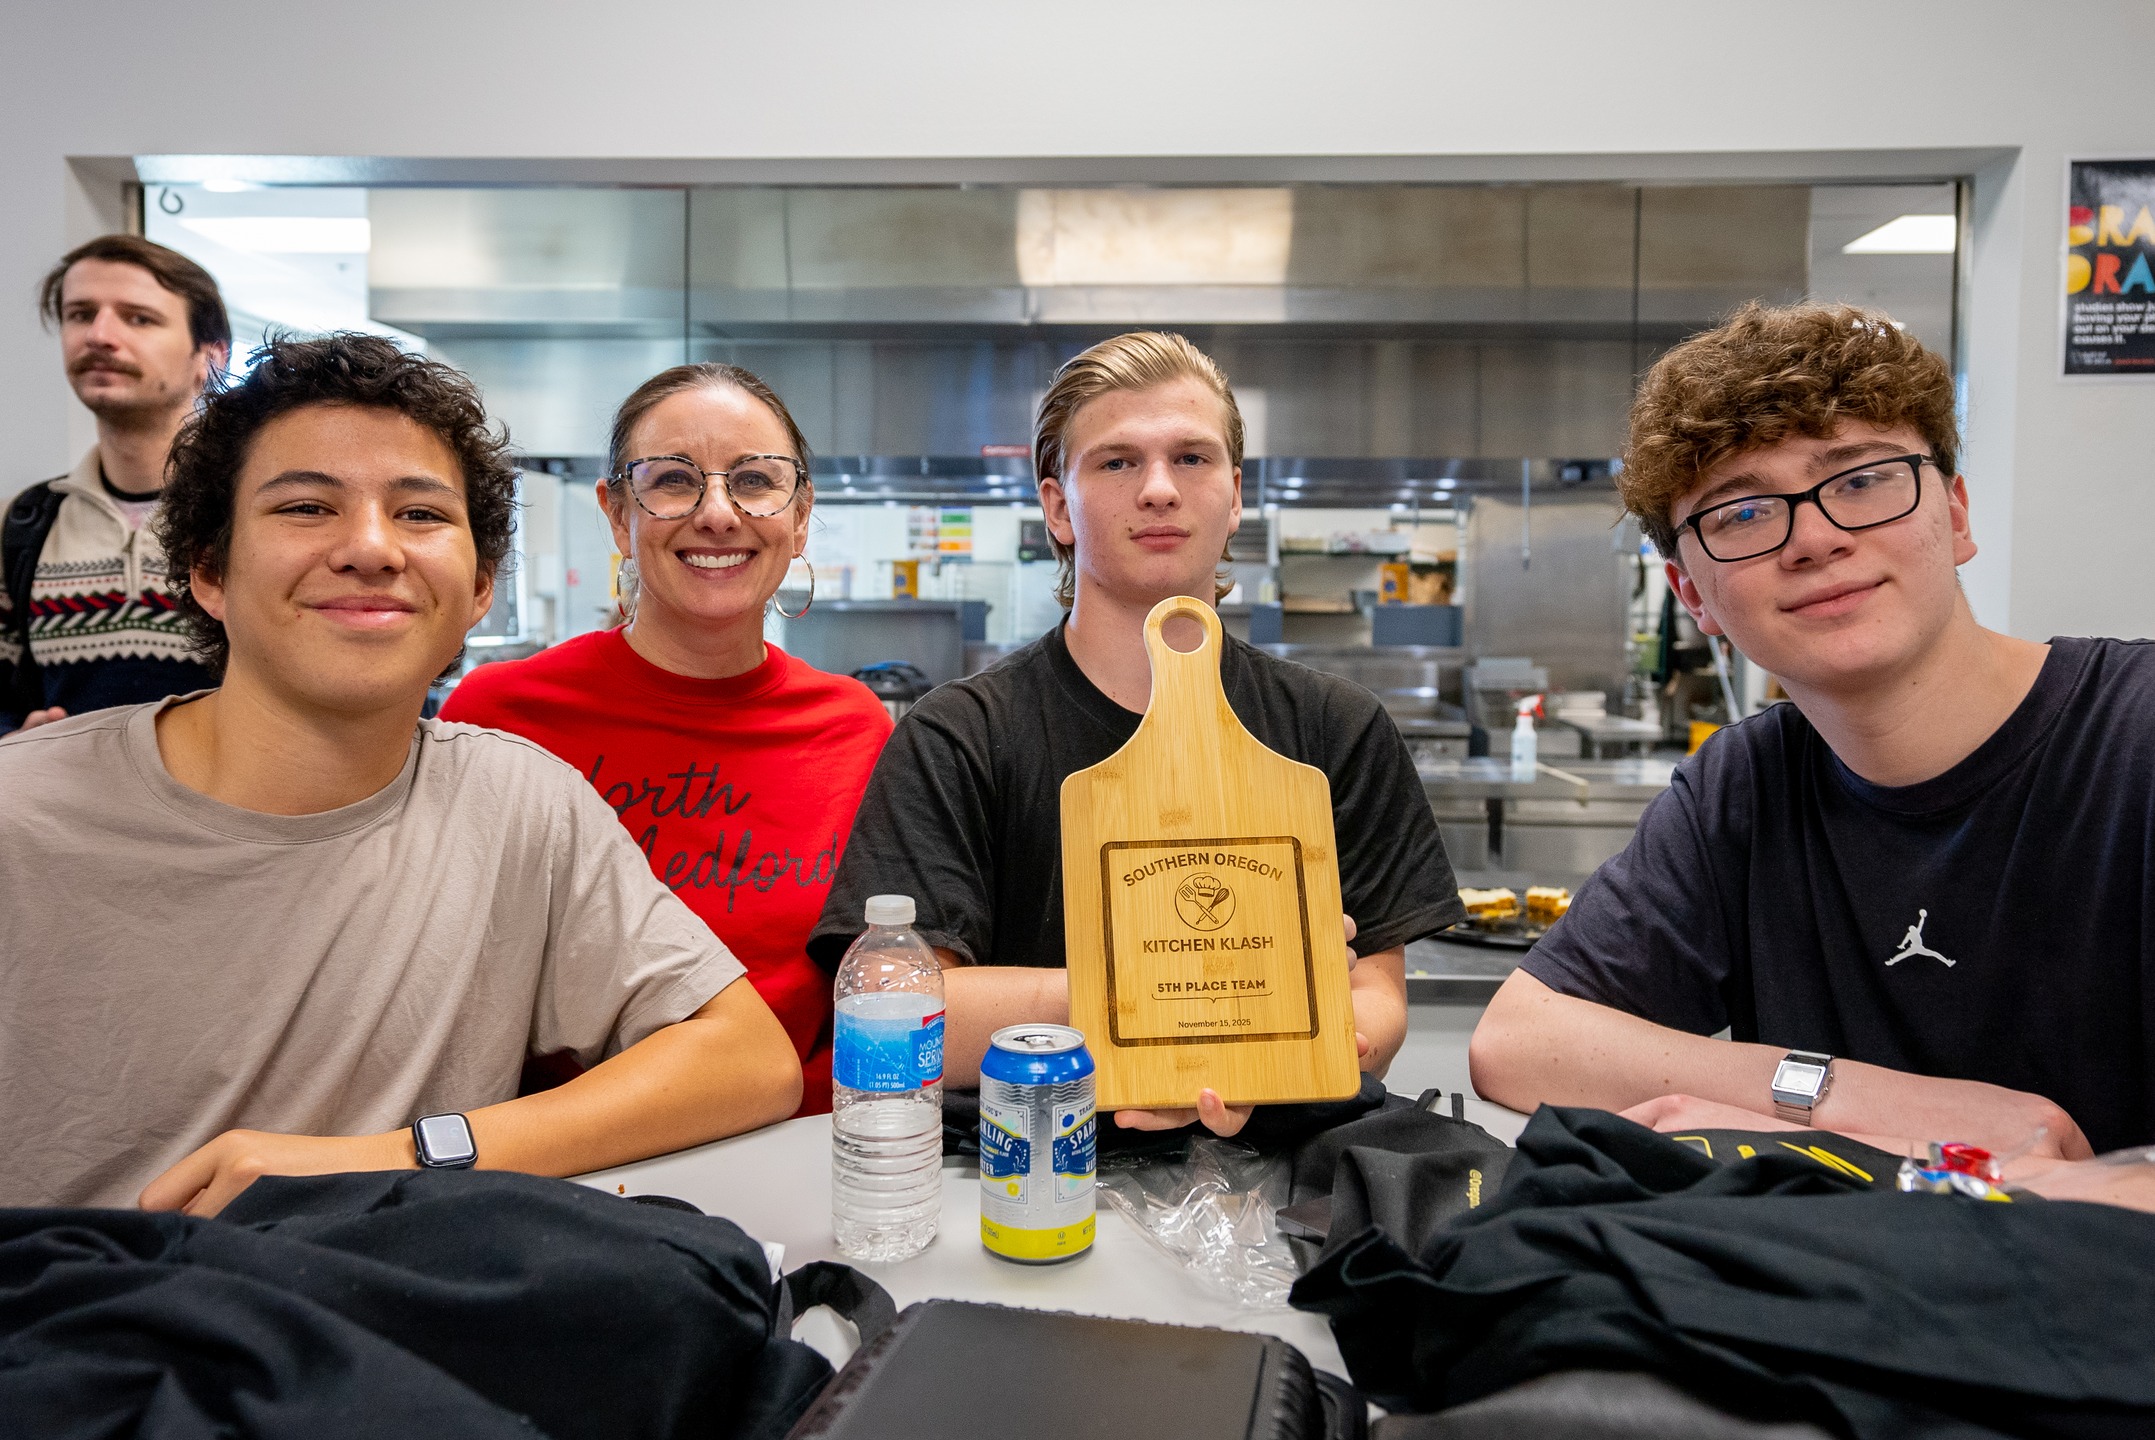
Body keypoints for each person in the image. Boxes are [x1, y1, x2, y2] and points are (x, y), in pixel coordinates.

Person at [0, 334, 802, 1213]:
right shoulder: (24, 815)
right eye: (306, 506)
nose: (371, 547)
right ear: (209, 569)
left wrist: (403, 1158)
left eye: (420, 514)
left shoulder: (514, 804)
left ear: (480, 586)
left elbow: (748, 1059)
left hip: (383, 1294)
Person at [1469, 300, 2155, 1158]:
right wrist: (1847, 1095)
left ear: (1955, 515)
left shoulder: (2134, 737)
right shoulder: (1743, 787)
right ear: (1693, 596)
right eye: (1742, 514)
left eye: (1861, 480)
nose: (1815, 539)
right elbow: (1518, 1042)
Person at [810, 331, 1459, 1136]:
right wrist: (1198, 1002)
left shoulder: (1337, 728)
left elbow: (1376, 1002)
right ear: (1058, 508)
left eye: (1191, 458)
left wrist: (1306, 1042)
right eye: (1116, 462)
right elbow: (892, 1011)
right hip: (1024, 1174)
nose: (1157, 489)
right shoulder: (961, 736)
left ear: (1234, 495)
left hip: (1287, 1178)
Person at [441, 364, 892, 1114]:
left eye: (754, 481)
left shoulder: (854, 727)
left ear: (800, 516)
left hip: (799, 1147)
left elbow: (877, 981)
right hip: (570, 1157)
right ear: (618, 515)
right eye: (674, 481)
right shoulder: (501, 714)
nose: (717, 514)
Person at [2, 236, 233, 734]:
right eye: (81, 314)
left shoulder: (250, 515)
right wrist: (15, 738)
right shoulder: (20, 524)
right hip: (61, 786)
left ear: (211, 357)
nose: (99, 335)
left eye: (139, 318)